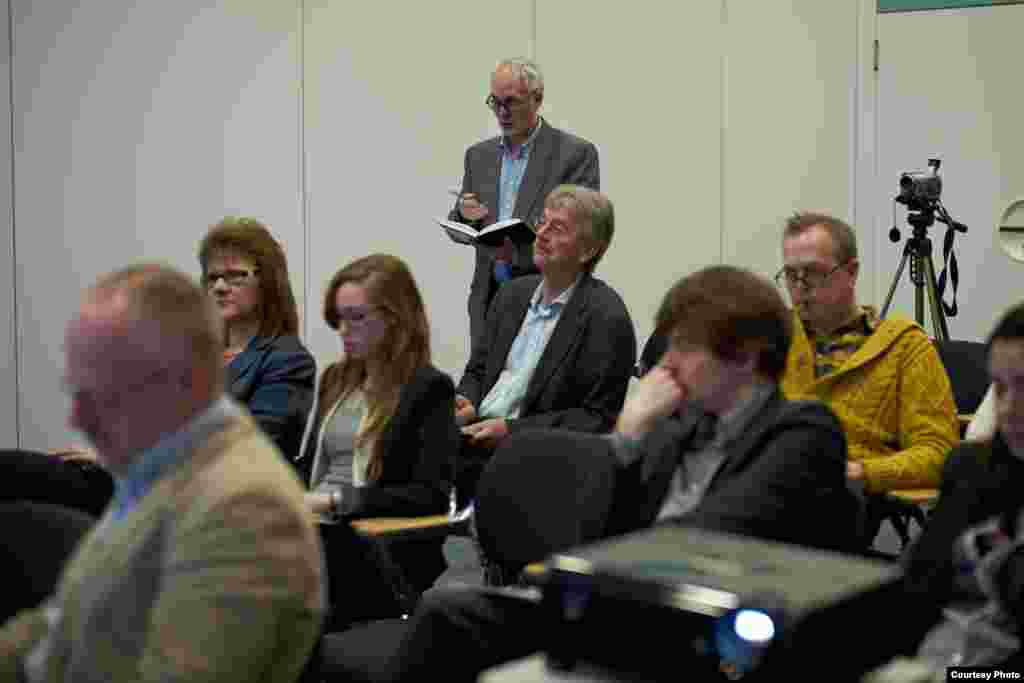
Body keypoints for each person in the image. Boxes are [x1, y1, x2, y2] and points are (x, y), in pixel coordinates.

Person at [322, 265, 858, 682]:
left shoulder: (802, 431)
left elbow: (710, 543)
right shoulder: (676, 433)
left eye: (686, 347)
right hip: (625, 612)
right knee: (449, 613)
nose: (667, 365)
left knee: (457, 624)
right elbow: (595, 536)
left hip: (709, 632)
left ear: (746, 356)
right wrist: (624, 440)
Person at [0, 264, 324, 682]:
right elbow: (57, 628)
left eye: (97, 391)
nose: (78, 417)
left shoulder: (245, 509)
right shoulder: (161, 472)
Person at [770, 300, 1024, 680]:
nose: (1008, 408)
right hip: (935, 656)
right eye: (1000, 389)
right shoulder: (974, 470)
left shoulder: (903, 345)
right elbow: (913, 590)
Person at [454, 184, 635, 505]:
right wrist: (467, 399)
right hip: (474, 444)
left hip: (538, 465)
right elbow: (478, 370)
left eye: (558, 227)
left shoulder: (605, 316)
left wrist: (512, 431)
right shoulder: (511, 295)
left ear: (588, 250)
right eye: (543, 221)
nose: (541, 234)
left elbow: (595, 418)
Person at [297, 254, 460, 602]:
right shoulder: (335, 379)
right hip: (318, 530)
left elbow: (427, 496)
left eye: (356, 318)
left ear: (395, 319)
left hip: (373, 543)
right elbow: (310, 466)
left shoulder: (428, 388)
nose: (343, 330)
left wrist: (334, 501)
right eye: (339, 318)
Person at [777, 211, 959, 494]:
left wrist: (863, 473)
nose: (800, 287)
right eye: (790, 275)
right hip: (769, 480)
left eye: (813, 272)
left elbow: (938, 454)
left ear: (852, 272)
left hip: (843, 494)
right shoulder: (772, 335)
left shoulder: (904, 345)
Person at [452, 58, 600, 352]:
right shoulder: (478, 157)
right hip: (488, 299)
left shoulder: (574, 155)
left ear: (538, 98)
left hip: (547, 295)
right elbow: (462, 221)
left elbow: (584, 231)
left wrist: (522, 249)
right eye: (495, 102)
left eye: (512, 102)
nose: (502, 113)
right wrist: (465, 216)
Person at [198, 216, 316, 470]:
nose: (219, 287)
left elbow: (256, 449)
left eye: (234, 276)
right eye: (212, 277)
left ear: (267, 283)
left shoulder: (288, 360)